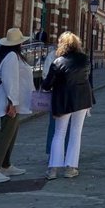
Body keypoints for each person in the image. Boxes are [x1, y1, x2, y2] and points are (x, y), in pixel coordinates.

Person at [0, 28, 34, 183]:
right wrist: (12, 102)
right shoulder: (12, 57)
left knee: (11, 133)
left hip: (12, 99)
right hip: (9, 101)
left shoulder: (9, 55)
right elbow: (10, 80)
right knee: (6, 135)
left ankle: (5, 164)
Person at [41, 31, 94, 180]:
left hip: (63, 100)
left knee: (59, 133)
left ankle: (53, 169)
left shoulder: (58, 62)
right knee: (76, 133)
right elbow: (87, 78)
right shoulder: (84, 60)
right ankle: (71, 168)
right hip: (82, 99)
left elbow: (46, 85)